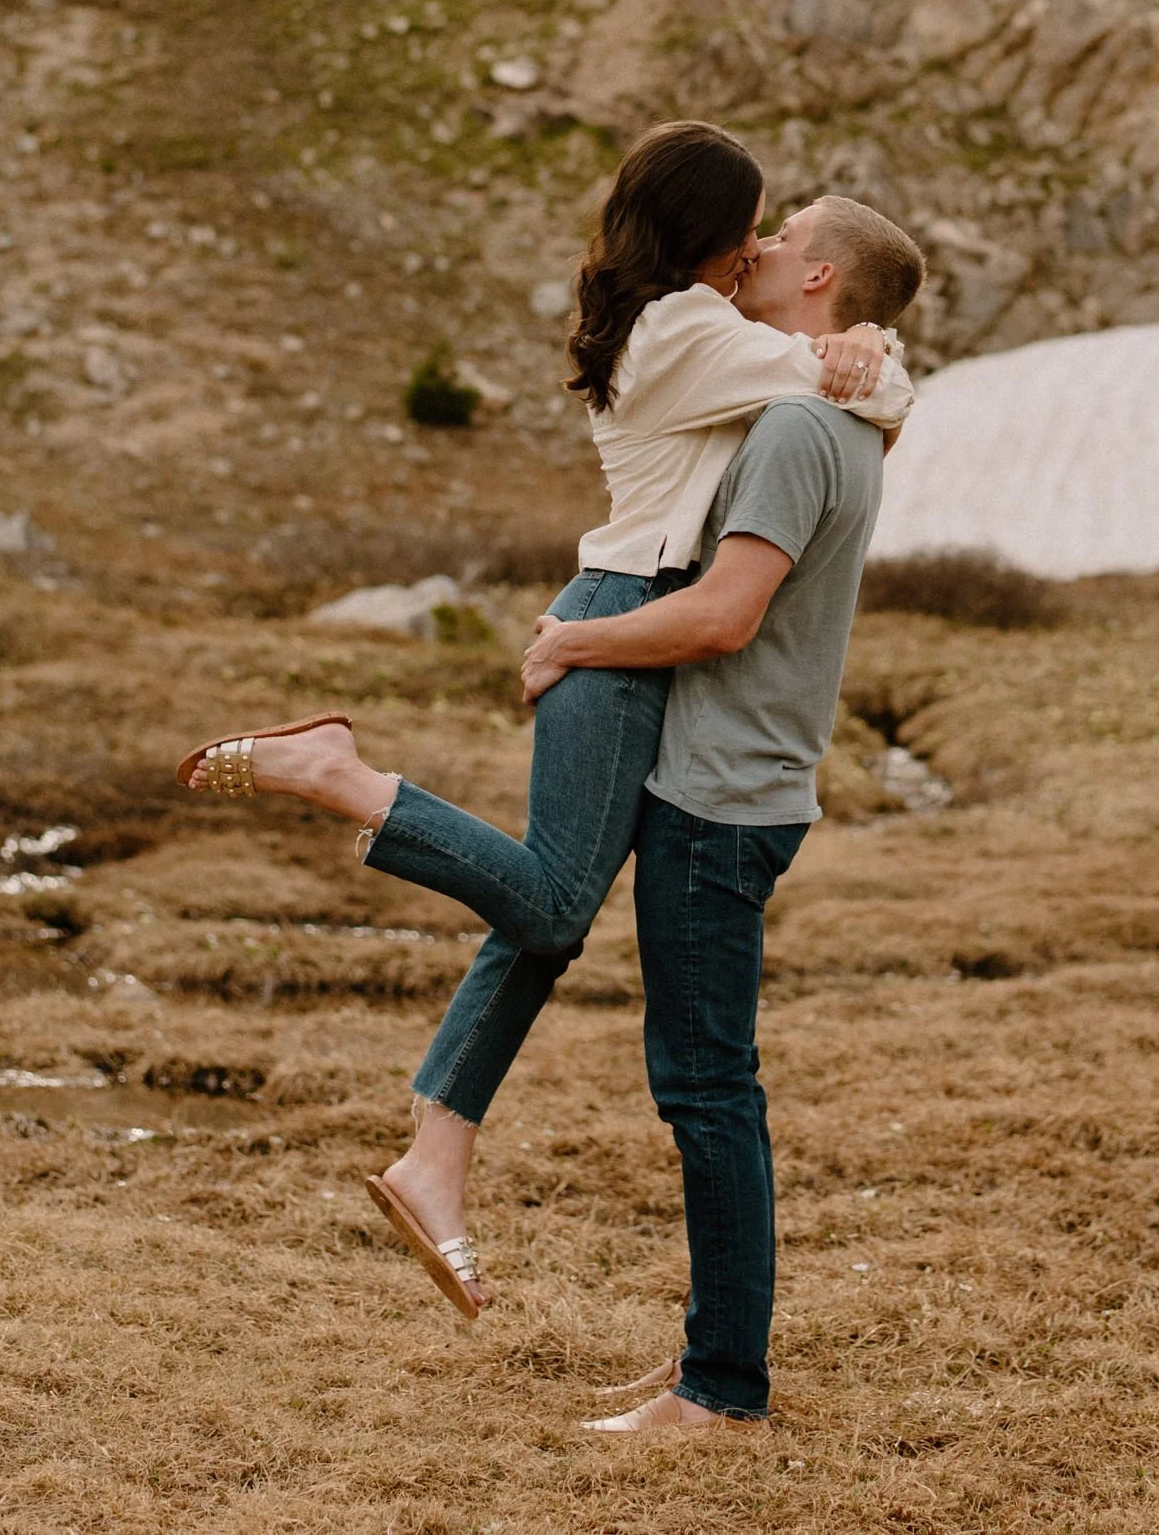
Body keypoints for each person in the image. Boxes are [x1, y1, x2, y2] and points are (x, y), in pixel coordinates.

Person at [176, 123, 913, 1319]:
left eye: (775, 233)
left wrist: (865, 342)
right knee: (557, 900)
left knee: (543, 915)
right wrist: (873, 352)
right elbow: (853, 388)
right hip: (624, 619)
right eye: (749, 227)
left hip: (632, 620)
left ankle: (435, 1160)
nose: (757, 247)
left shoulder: (690, 325)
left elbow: (836, 383)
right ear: (706, 233)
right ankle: (339, 774)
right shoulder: (690, 331)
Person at [518, 195, 927, 1435]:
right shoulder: (830, 409)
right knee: (707, 1084)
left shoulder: (798, 426)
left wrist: (569, 641)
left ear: (820, 277)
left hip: (717, 794)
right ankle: (711, 1362)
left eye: (782, 235)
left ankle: (718, 1389)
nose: (757, 249)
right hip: (743, 783)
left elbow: (722, 614)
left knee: (705, 1090)